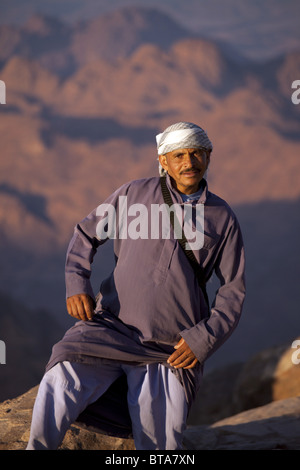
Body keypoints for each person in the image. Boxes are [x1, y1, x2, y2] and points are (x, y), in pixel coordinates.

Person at [26, 121, 246, 450]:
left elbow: (233, 289)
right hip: (110, 328)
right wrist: (76, 282)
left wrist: (203, 339)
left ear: (209, 156)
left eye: (197, 153)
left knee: (160, 440)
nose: (189, 162)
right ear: (163, 161)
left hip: (169, 347)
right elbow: (87, 233)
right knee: (62, 377)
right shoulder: (133, 193)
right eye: (180, 155)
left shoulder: (222, 217)